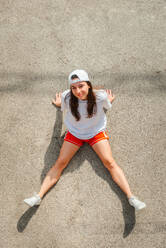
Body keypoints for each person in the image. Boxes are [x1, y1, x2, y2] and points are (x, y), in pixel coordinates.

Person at [24, 69, 146, 210]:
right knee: (60, 163)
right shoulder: (67, 97)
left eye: (81, 86)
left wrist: (109, 100)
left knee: (109, 162)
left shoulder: (100, 97)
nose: (78, 91)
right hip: (75, 134)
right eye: (73, 88)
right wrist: (59, 105)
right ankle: (38, 197)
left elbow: (106, 105)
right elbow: (62, 107)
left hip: (96, 133)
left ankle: (131, 197)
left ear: (88, 84)